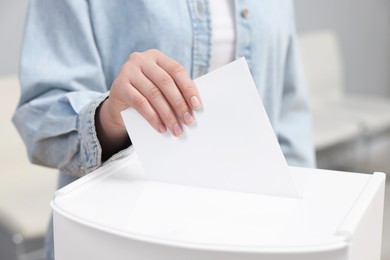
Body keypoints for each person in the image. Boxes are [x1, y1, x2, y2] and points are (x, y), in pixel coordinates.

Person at [13, 1, 315, 259]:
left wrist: (300, 232)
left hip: (246, 238)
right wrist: (111, 114)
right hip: (121, 241)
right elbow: (40, 117)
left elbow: (288, 115)